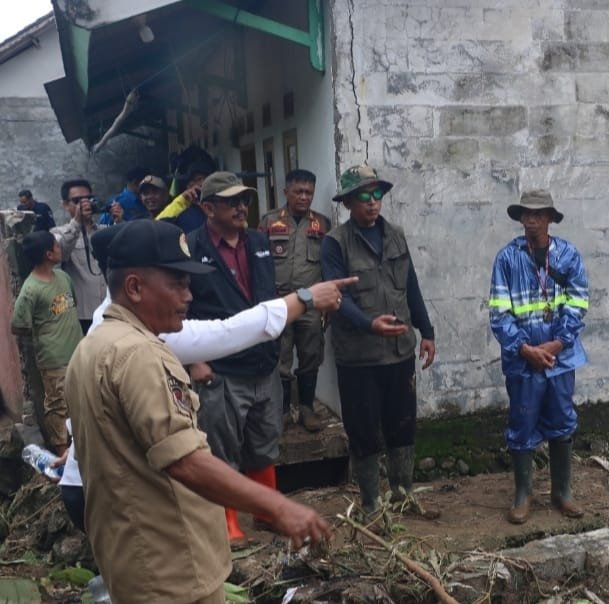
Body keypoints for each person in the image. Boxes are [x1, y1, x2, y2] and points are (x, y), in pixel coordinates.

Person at [65, 219, 331, 603]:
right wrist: (277, 505)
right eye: (177, 284)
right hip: (169, 564)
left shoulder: (95, 345)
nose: (188, 296)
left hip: (137, 556)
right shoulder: (138, 355)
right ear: (135, 287)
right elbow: (185, 461)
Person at [321, 165, 438, 518]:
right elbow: (336, 299)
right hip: (359, 357)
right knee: (364, 431)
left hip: (400, 350)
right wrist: (370, 324)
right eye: (363, 196)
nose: (373, 203)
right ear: (348, 203)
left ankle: (403, 494)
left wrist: (427, 331)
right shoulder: (335, 243)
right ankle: (372, 505)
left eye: (377, 195)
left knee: (403, 426)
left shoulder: (396, 235)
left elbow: (411, 285)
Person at [186, 171, 282, 542]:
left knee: (265, 438)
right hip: (221, 367)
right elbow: (185, 306)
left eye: (244, 200)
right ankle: (226, 522)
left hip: (263, 362)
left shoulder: (258, 240)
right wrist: (196, 360)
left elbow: (267, 294)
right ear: (208, 208)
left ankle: (265, 508)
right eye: (231, 202)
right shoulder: (192, 248)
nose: (242, 207)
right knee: (221, 443)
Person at [488, 190, 589, 524]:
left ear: (549, 218)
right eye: (526, 214)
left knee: (562, 420)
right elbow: (500, 313)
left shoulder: (568, 256)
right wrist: (525, 349)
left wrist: (558, 344)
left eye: (539, 214)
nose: (532, 220)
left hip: (560, 359)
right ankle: (523, 494)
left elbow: (578, 302)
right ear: (520, 218)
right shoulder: (506, 259)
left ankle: (562, 491)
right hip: (523, 361)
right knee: (522, 422)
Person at [258, 169, 330, 432]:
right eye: (298, 191)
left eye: (308, 192)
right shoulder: (269, 222)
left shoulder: (322, 225)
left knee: (311, 356)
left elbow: (329, 264)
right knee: (281, 358)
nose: (303, 197)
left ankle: (307, 409)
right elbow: (260, 263)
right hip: (279, 304)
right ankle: (285, 410)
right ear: (286, 191)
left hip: (311, 305)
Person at [12, 231, 81, 455]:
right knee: (57, 404)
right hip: (53, 357)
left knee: (79, 400)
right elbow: (19, 325)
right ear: (48, 254)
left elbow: (73, 305)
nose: (60, 248)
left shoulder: (63, 278)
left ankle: (80, 446)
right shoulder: (31, 290)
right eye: (56, 246)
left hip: (77, 351)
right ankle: (61, 450)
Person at [51, 179, 107, 334]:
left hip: (109, 311)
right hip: (81, 313)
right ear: (65, 205)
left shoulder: (104, 231)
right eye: (77, 201)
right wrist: (77, 222)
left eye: (88, 199)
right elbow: (61, 254)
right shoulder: (57, 233)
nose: (85, 204)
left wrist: (119, 221)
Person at [157, 161, 213, 232]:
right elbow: (157, 226)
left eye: (198, 179)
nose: (193, 184)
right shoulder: (182, 208)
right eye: (189, 182)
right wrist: (182, 200)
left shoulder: (220, 205)